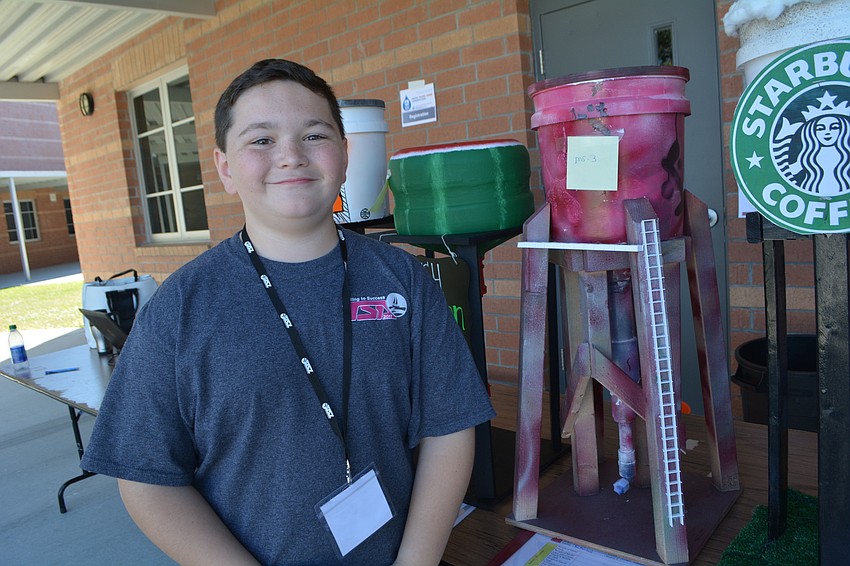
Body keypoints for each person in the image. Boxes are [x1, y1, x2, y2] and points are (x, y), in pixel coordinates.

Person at [81, 58, 495, 565]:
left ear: (344, 156)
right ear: (225, 168)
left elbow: (449, 427)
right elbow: (146, 478)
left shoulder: (406, 283)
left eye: (314, 136)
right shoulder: (179, 309)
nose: (291, 156)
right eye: (261, 140)